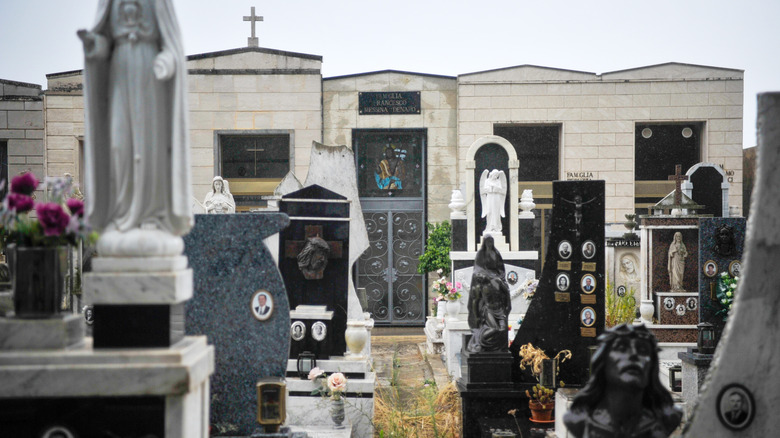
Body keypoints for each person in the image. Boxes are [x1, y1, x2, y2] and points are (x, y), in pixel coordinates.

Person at [79, 0, 192, 256]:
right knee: (119, 144)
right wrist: (94, 45)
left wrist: (167, 61)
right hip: (119, 72)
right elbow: (105, 39)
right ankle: (121, 214)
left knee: (150, 145)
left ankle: (151, 214)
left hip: (150, 71)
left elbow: (172, 45)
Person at [564, 324, 682, 437]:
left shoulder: (668, 418)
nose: (633, 354)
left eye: (643, 349)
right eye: (621, 347)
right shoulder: (579, 420)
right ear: (603, 362)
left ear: (652, 366)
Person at [466, 235, 511, 353]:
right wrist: (484, 275)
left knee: (501, 328)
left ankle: (483, 340)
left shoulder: (496, 254)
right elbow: (477, 269)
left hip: (495, 283)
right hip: (488, 303)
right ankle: (479, 337)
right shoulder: (480, 254)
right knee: (494, 328)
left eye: (491, 241)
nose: (490, 243)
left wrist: (499, 278)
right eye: (488, 241)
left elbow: (501, 269)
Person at [480, 169, 507, 234]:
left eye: (497, 175)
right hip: (489, 197)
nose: (496, 176)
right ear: (492, 174)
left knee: (496, 212)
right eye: (495, 175)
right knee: (489, 211)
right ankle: (489, 227)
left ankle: (496, 227)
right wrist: (490, 188)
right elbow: (484, 190)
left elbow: (501, 190)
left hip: (496, 197)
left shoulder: (498, 181)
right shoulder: (487, 181)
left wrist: (495, 188)